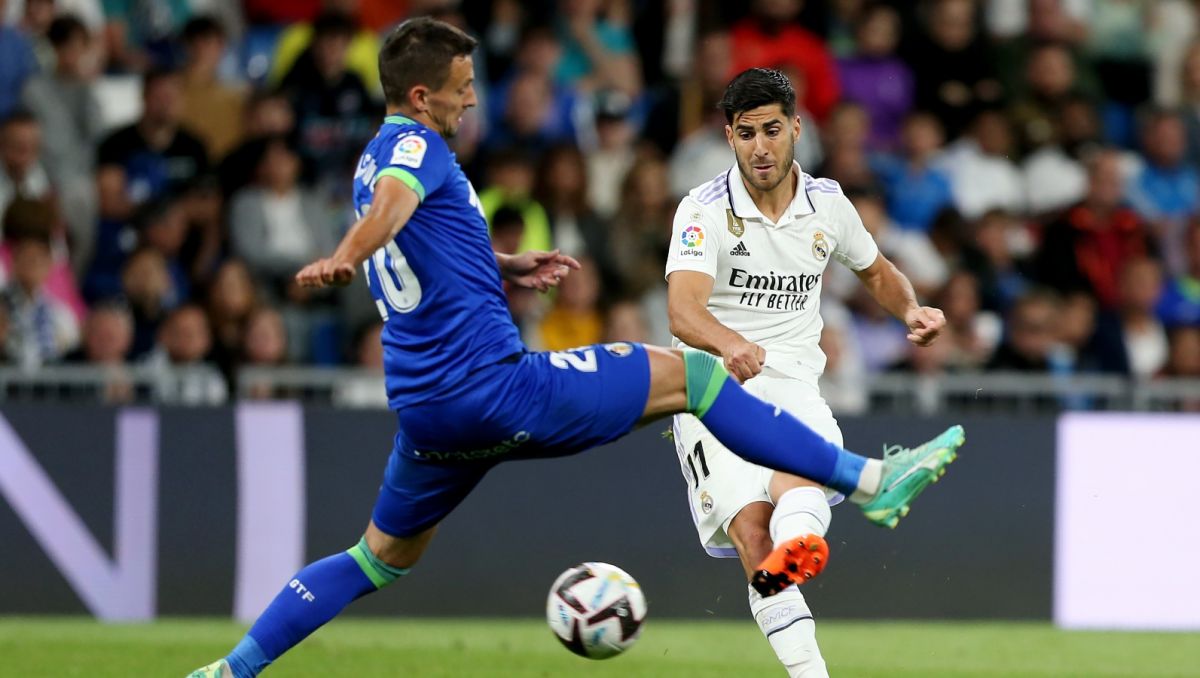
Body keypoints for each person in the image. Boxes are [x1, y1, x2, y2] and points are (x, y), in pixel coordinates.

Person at [188, 19, 965, 678]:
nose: (471, 98)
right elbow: (394, 210)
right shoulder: (413, 153)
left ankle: (232, 670)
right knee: (693, 374)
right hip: (496, 387)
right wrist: (348, 254)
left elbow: (418, 237)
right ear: (422, 96)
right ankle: (869, 480)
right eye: (462, 85)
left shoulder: (366, 159)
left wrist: (504, 265)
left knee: (376, 559)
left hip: (425, 415)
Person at [666, 67, 951, 678]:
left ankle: (800, 549)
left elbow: (875, 270)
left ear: (796, 128)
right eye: (747, 134)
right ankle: (804, 579)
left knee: (795, 494)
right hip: (710, 388)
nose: (761, 146)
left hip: (794, 380)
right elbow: (683, 309)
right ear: (730, 137)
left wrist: (910, 307)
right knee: (751, 535)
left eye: (772, 130)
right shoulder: (703, 210)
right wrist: (730, 342)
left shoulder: (827, 203)